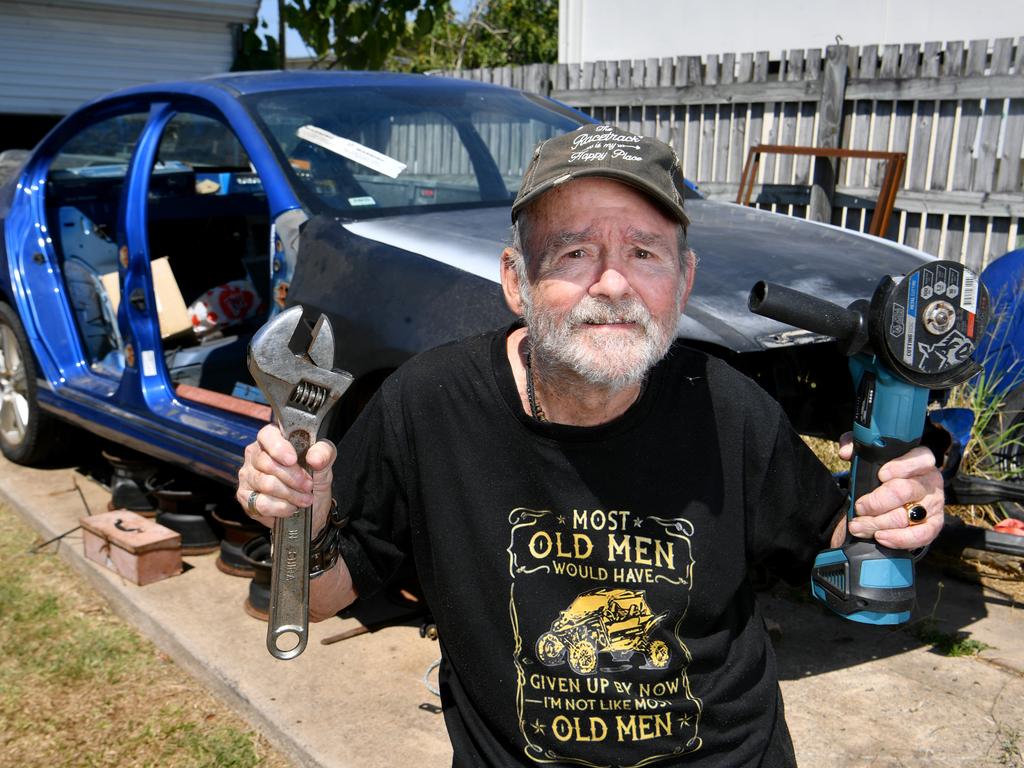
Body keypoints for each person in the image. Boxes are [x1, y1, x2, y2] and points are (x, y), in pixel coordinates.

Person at [236, 124, 944, 767]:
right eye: (575, 253)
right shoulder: (429, 405)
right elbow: (321, 599)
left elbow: (837, 555)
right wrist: (303, 519)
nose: (614, 283)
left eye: (645, 253)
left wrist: (894, 514)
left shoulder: (728, 408)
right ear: (517, 281)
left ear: (683, 282)